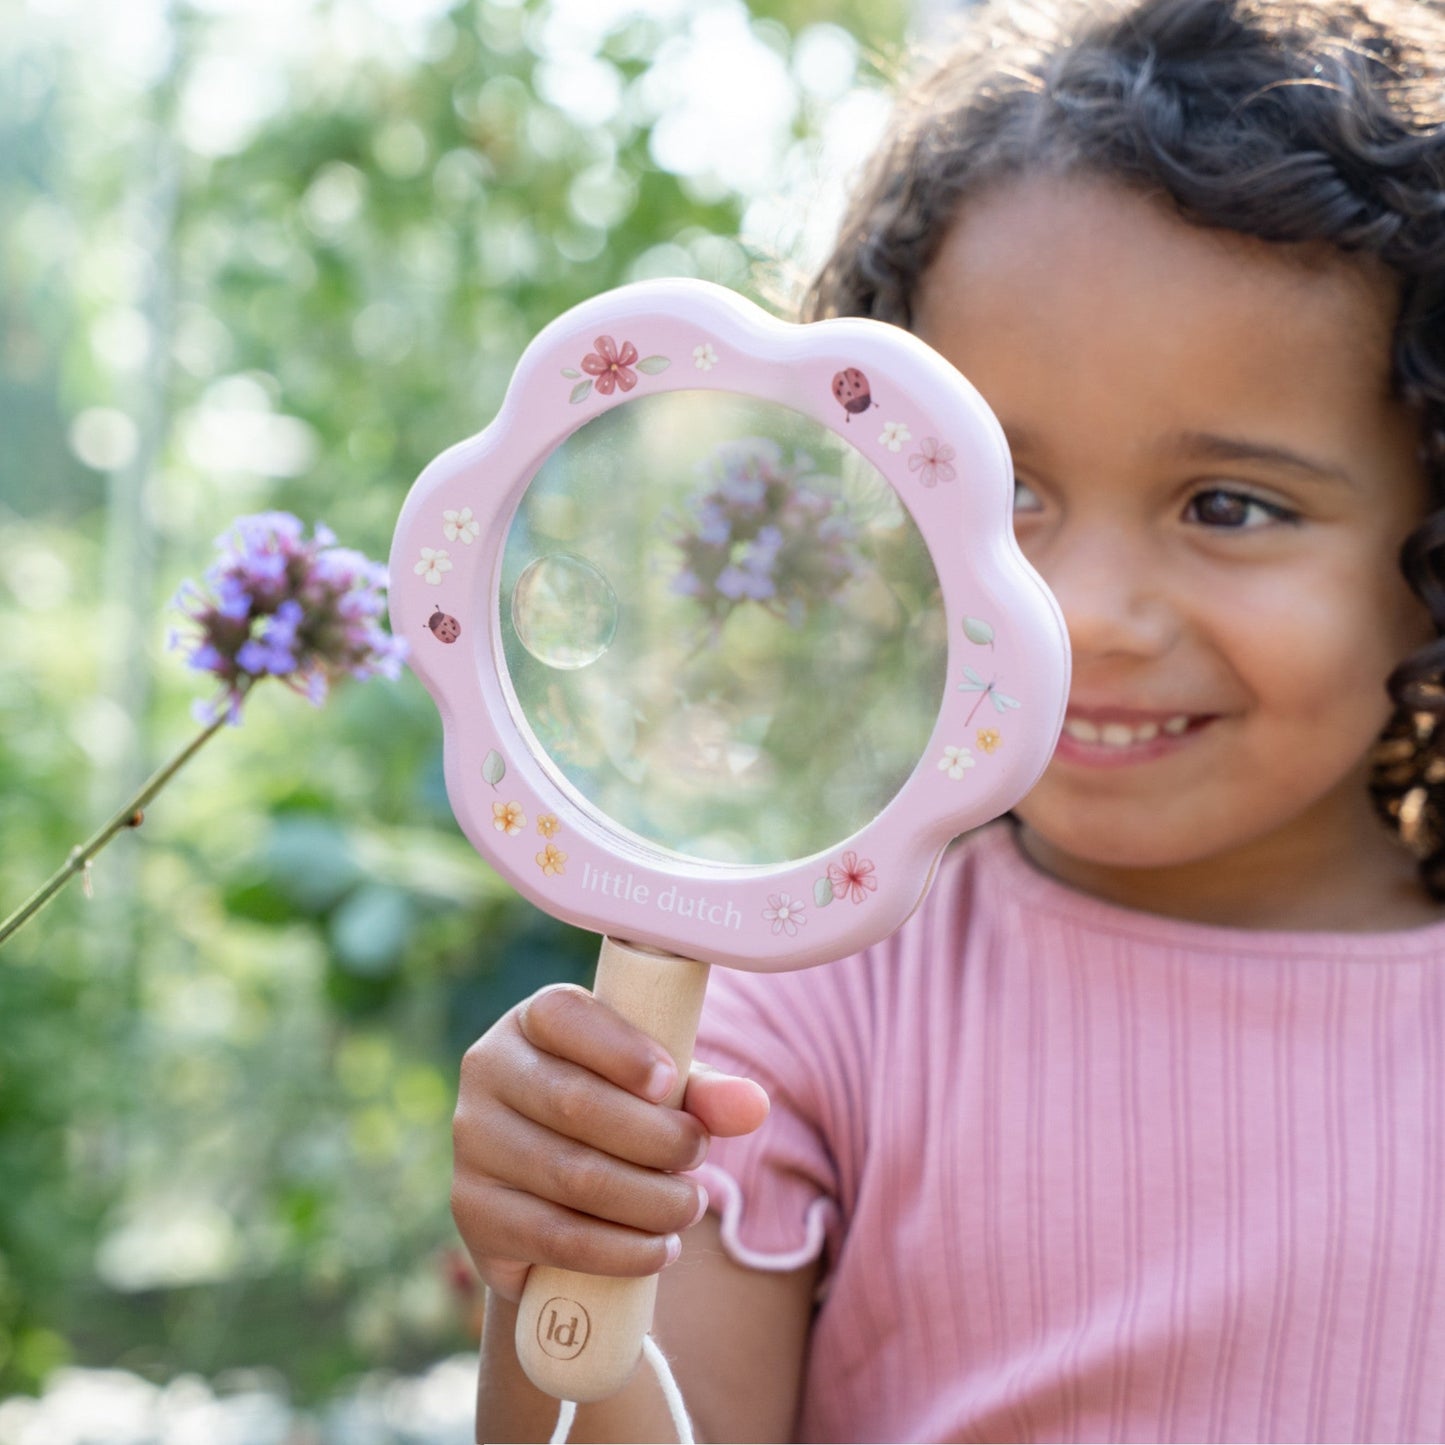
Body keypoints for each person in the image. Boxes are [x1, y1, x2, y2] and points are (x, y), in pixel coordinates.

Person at [451, 0, 1445, 1438]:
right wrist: (553, 1265)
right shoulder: (802, 999)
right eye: (1005, 493)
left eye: (1227, 505)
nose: (1082, 611)